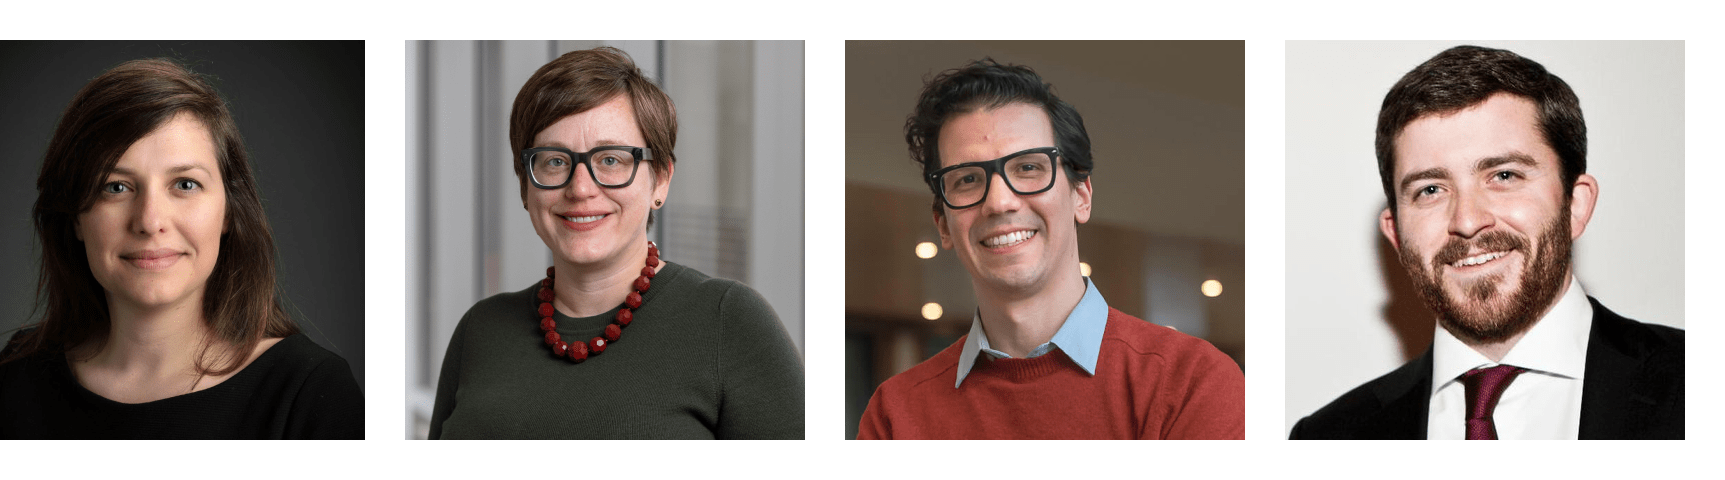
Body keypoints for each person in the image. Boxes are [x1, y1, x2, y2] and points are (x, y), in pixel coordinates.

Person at [1289, 46, 1683, 440]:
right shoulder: (1326, 438)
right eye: (1430, 189)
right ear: (1395, 233)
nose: (1468, 220)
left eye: (1504, 176)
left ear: (1575, 206)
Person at [0, 58, 364, 439]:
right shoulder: (15, 380)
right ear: (75, 219)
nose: (150, 220)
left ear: (229, 211)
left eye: (185, 184)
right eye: (115, 187)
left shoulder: (311, 396)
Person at [427, 47, 804, 440]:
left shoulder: (730, 323)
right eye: (554, 161)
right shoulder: (479, 331)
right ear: (525, 185)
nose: (581, 188)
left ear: (660, 179)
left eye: (610, 160)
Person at [856, 59, 1244, 440]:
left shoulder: (1192, 383)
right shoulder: (895, 416)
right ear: (943, 224)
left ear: (1081, 196)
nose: (1000, 202)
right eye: (968, 179)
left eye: (1028, 168)